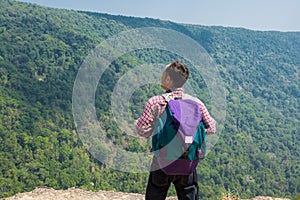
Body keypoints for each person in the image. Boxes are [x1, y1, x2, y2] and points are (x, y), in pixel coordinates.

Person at [135, 61, 216, 200]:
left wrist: (156, 129)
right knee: (188, 194)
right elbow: (211, 128)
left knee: (156, 194)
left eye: (163, 74)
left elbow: (143, 130)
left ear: (168, 79)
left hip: (162, 158)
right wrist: (188, 134)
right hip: (187, 159)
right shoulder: (196, 103)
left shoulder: (156, 102)